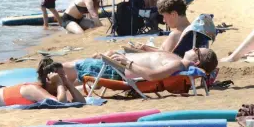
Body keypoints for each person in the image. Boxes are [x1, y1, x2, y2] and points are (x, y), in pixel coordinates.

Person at [61, 47, 218, 84]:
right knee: (69, 72)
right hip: (116, 64)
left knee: (64, 68)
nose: (193, 47)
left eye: (196, 49)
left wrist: (126, 62)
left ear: (197, 61)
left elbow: (151, 76)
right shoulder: (177, 60)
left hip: (116, 69)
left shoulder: (177, 63)